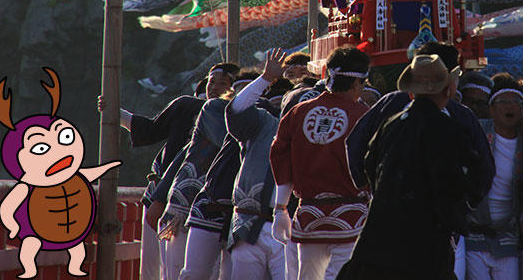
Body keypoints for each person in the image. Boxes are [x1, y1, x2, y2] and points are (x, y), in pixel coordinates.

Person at [338, 55, 486, 279]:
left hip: (380, 236)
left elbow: (367, 162)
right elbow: (467, 180)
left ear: (411, 92)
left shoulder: (391, 123)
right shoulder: (449, 129)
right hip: (424, 241)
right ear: (448, 91)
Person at [100, 62, 238, 280]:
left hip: (211, 206)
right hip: (166, 198)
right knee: (154, 268)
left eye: (224, 84)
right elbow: (150, 130)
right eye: (212, 82)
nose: (215, 88)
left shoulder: (240, 120)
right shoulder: (186, 106)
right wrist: (115, 112)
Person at [269, 46, 372, 280]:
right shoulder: (364, 116)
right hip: (351, 218)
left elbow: (279, 157)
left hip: (310, 217)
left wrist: (280, 209)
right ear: (359, 84)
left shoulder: (297, 112)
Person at [158, 70, 258, 280]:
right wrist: (158, 196)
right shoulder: (214, 109)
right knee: (186, 273)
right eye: (239, 90)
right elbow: (228, 142)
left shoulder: (260, 119)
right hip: (189, 205)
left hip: (234, 210)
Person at [464, 74, 523, 280]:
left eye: (516, 102)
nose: (510, 106)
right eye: (503, 101)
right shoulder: (476, 134)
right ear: (491, 109)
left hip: (507, 234)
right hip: (473, 233)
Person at [225, 49, 287, 280]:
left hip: (291, 231)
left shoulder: (312, 131)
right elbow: (237, 109)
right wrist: (265, 79)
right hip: (249, 223)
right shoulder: (263, 122)